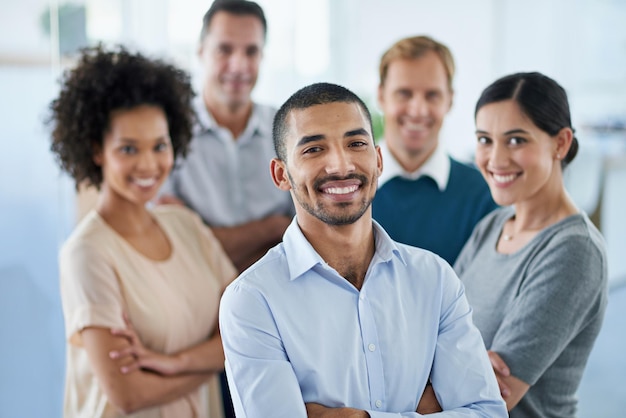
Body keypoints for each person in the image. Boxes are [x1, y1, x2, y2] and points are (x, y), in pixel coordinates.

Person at [219, 82, 508, 417]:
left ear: (378, 159)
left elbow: (488, 413)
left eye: (356, 143)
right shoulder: (252, 300)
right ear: (281, 174)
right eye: (313, 150)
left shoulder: (435, 278)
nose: (340, 166)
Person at [48, 45, 237, 417]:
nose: (148, 164)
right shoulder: (87, 253)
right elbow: (128, 393)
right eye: (129, 148)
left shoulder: (187, 226)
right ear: (96, 150)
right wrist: (214, 360)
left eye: (159, 145)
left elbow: (246, 329)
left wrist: (176, 362)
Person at [453, 72, 609, 417]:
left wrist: (445, 356)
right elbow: (435, 323)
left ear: (561, 143)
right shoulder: (493, 225)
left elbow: (493, 395)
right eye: (484, 139)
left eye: (515, 140)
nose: (495, 159)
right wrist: (458, 361)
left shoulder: (574, 252)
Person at [157, 0, 294, 273]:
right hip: (198, 300)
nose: (239, 65)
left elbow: (308, 236)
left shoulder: (289, 126)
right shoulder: (166, 134)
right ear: (201, 52)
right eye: (225, 50)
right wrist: (273, 227)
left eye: (251, 51)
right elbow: (178, 246)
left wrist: (208, 236)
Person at [372, 35, 497, 265]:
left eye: (432, 95)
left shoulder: (483, 195)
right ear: (381, 95)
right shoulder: (346, 188)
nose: (418, 110)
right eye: (404, 93)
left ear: (449, 100)